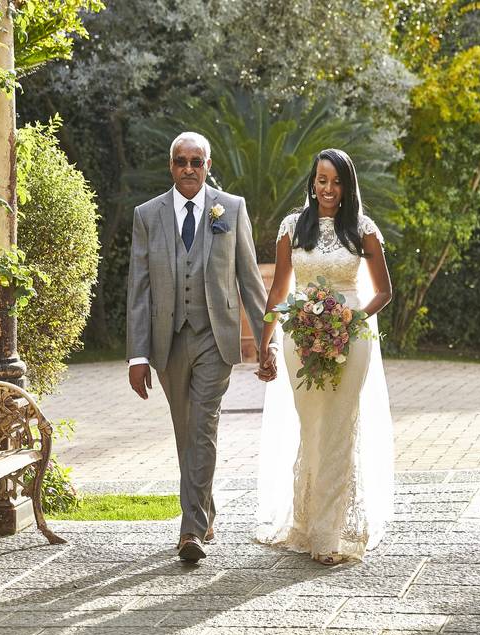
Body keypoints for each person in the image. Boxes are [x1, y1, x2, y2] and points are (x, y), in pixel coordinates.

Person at [126, 131, 276, 563]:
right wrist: (138, 355)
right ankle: (205, 510)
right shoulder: (147, 215)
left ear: (208, 165)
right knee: (184, 429)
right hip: (167, 339)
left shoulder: (231, 208)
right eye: (180, 161)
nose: (188, 169)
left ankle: (190, 529)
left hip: (216, 336)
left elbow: (249, 279)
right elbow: (138, 287)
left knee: (203, 425)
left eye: (196, 161)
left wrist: (268, 339)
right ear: (170, 166)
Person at [254, 148, 395, 566]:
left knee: (339, 426)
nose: (328, 189)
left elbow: (384, 292)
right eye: (321, 180)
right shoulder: (292, 228)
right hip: (301, 335)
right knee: (312, 425)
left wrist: (350, 318)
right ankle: (307, 522)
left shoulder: (363, 229)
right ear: (312, 184)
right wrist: (267, 341)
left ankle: (330, 534)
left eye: (335, 181)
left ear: (346, 185)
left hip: (352, 338)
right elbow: (279, 292)